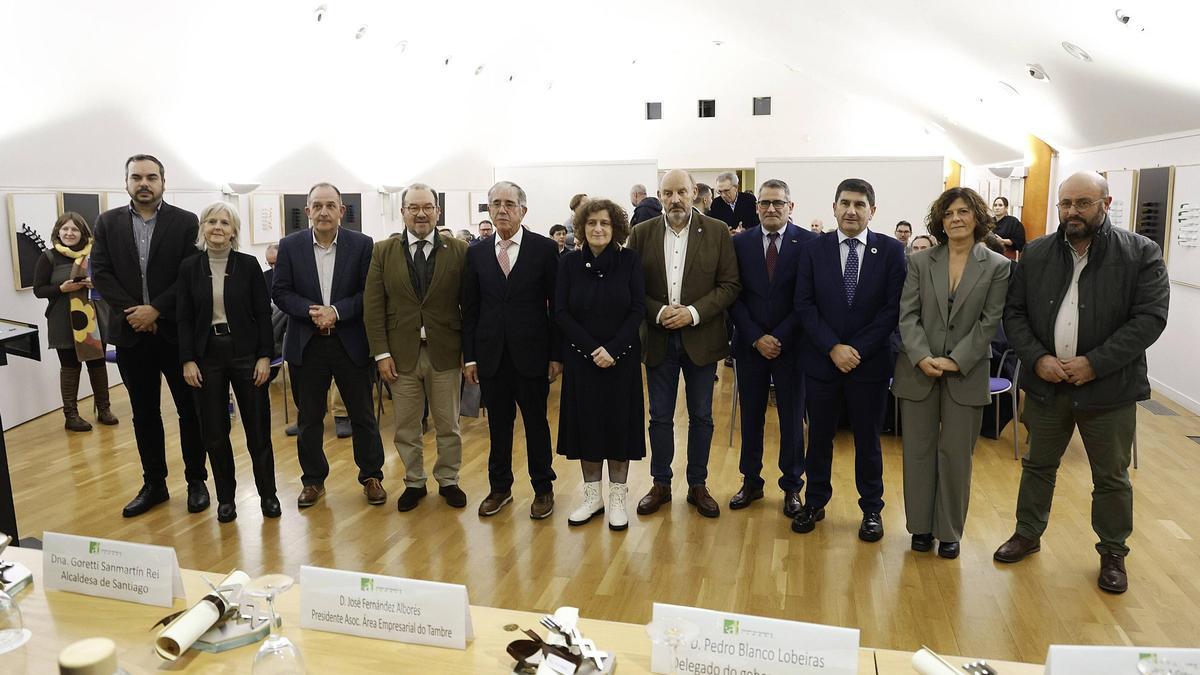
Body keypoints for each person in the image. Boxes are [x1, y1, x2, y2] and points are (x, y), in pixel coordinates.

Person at [993, 171, 1169, 594]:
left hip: (1109, 389)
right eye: (1066, 203)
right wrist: (1037, 359)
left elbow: (1149, 318)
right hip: (1048, 385)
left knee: (1110, 477)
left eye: (1083, 203)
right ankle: (1027, 533)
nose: (1072, 211)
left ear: (1106, 205)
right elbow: (1014, 313)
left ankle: (1113, 552)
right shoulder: (1036, 253)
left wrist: (1095, 363)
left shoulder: (1140, 253)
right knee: (1038, 466)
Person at [892, 187, 1010, 559]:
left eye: (963, 211)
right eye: (948, 213)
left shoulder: (998, 265)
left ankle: (949, 531)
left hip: (967, 372)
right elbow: (907, 314)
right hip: (919, 370)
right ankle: (920, 528)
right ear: (939, 221)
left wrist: (957, 360)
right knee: (918, 452)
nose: (955, 218)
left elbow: (990, 321)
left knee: (957, 455)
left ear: (978, 216)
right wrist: (922, 355)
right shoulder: (920, 261)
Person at [91, 154, 209, 518]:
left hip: (176, 333)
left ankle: (196, 481)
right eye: (137, 177)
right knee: (144, 414)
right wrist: (137, 313)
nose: (144, 183)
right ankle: (154, 484)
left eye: (151, 177)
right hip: (131, 334)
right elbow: (101, 273)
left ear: (163, 182)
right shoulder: (107, 222)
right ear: (126, 182)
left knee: (190, 412)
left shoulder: (185, 222)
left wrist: (156, 309)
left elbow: (189, 273)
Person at [792, 178, 905, 541]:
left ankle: (872, 509)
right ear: (834, 207)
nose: (851, 211)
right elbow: (804, 305)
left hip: (868, 365)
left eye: (859, 204)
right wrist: (833, 348)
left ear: (873, 210)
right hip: (822, 363)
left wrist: (855, 350)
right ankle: (815, 502)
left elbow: (892, 310)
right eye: (845, 203)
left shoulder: (891, 251)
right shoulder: (814, 249)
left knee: (868, 441)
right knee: (819, 438)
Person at [626, 169, 741, 518]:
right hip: (658, 338)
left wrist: (691, 313)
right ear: (660, 196)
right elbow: (631, 287)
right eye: (668, 193)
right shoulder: (641, 233)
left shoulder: (717, 232)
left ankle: (697, 484)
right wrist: (660, 312)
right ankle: (660, 483)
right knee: (659, 417)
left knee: (702, 416)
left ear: (695, 193)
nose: (675, 199)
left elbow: (729, 285)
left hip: (701, 338)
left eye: (681, 192)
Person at [272, 182, 387, 509]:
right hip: (307, 345)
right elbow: (280, 292)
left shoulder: (362, 245)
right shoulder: (290, 246)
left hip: (350, 342)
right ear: (308, 211)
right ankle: (312, 480)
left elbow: (369, 293)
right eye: (317, 206)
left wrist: (336, 312)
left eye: (330, 205)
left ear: (342, 210)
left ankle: (371, 476)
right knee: (309, 419)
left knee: (363, 415)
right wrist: (313, 312)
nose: (324, 212)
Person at [365, 183, 470, 512]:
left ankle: (449, 479)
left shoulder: (459, 250)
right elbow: (373, 306)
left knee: (448, 425)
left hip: (446, 352)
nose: (421, 213)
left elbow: (470, 305)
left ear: (438, 211)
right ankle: (414, 481)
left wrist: (469, 352)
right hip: (400, 356)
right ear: (403, 212)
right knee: (406, 427)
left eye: (427, 207)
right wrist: (381, 353)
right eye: (413, 207)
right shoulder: (383, 251)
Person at [462, 181, 561, 519]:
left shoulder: (544, 249)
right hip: (491, 356)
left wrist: (556, 355)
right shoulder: (475, 253)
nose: (502, 209)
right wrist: (470, 356)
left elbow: (556, 307)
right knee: (498, 427)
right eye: (495, 204)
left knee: (536, 425)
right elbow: (470, 309)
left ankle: (543, 488)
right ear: (489, 209)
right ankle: (500, 488)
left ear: (523, 210)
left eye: (509, 204)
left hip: (532, 355)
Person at [177, 202, 279, 522]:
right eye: (211, 222)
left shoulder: (248, 265)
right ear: (203, 228)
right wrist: (187, 360)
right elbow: (183, 319)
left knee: (258, 429)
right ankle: (226, 499)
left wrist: (265, 356)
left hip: (246, 353)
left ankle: (268, 495)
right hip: (206, 355)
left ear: (234, 230)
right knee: (215, 433)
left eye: (224, 222)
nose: (217, 227)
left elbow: (263, 314)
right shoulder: (189, 267)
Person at [555, 198, 646, 531]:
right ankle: (592, 497)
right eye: (591, 223)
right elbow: (561, 311)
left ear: (615, 227)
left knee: (619, 426)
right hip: (582, 360)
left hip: (621, 359)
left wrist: (613, 349)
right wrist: (593, 349)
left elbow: (637, 309)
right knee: (587, 426)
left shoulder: (630, 261)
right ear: (581, 227)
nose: (597, 228)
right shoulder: (568, 263)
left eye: (604, 223)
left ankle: (618, 499)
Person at [729, 180, 816, 517]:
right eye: (765, 203)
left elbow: (808, 297)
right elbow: (733, 295)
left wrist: (778, 336)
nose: (771, 208)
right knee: (751, 417)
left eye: (778, 203)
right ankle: (751, 481)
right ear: (756, 208)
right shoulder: (740, 243)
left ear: (790, 207)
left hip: (791, 346)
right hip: (750, 345)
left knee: (792, 419)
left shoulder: (809, 243)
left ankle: (792, 485)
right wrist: (756, 337)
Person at [33, 212, 118, 432]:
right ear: (58, 231)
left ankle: (104, 409)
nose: (69, 233)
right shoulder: (49, 257)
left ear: (83, 232)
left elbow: (112, 282)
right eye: (65, 229)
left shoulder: (96, 255)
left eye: (74, 229)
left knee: (98, 365)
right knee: (70, 367)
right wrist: (61, 288)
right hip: (62, 321)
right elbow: (39, 290)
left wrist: (95, 283)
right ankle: (71, 416)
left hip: (94, 319)